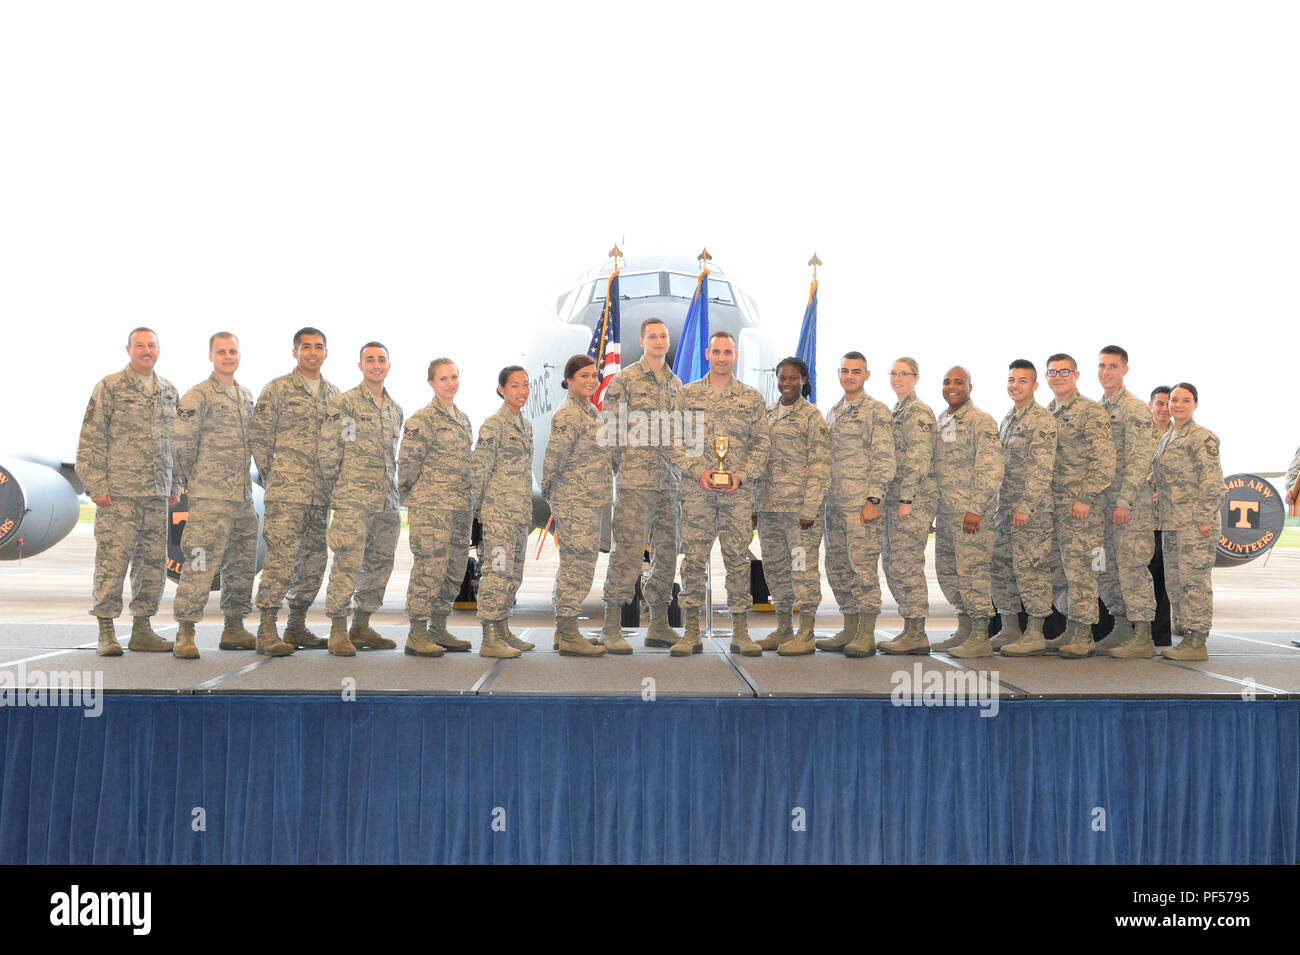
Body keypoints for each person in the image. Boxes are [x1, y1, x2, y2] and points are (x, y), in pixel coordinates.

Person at [172, 332, 288, 658]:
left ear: (239, 355)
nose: (228, 357)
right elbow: (180, 443)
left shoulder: (245, 396)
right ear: (211, 356)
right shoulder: (198, 396)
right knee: (199, 562)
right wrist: (192, 481)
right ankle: (185, 631)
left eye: (232, 351)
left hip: (242, 497)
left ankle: (234, 627)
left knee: (242, 564)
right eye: (221, 352)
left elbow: (258, 441)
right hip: (210, 497)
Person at [665, 330, 770, 657]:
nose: (722, 357)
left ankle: (741, 632)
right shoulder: (687, 395)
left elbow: (762, 445)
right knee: (693, 561)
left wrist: (741, 475)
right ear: (708, 355)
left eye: (727, 352)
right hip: (697, 494)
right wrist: (699, 472)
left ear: (735, 356)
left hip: (737, 496)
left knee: (738, 561)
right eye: (716, 352)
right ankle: (691, 632)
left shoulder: (751, 398)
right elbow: (672, 442)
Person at [76, 327, 180, 656]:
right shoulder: (109, 387)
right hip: (118, 494)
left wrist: (175, 484)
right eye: (140, 345)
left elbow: (175, 443)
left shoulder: (169, 391)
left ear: (158, 350)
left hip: (156, 494)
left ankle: (142, 629)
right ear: (129, 349)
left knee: (151, 565)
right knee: (112, 562)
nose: (146, 351)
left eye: (151, 345)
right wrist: (97, 485)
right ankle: (106, 631)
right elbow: (90, 438)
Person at [249, 327, 340, 650]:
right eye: (306, 347)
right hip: (287, 493)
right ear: (295, 352)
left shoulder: (335, 395)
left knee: (314, 561)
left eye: (318, 347)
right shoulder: (277, 390)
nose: (313, 352)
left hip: (320, 495)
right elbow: (258, 437)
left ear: (326, 352)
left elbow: (341, 442)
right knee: (281, 561)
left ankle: (296, 626)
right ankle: (266, 629)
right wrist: (274, 476)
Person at [600, 318, 684, 649]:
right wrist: (624, 470)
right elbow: (609, 433)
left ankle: (659, 622)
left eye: (663, 336)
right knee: (628, 555)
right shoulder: (625, 381)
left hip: (670, 486)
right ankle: (610, 625)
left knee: (667, 554)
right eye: (653, 336)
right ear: (642, 341)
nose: (660, 341)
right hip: (635, 485)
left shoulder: (677, 385)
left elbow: (684, 434)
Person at [319, 342, 404, 656]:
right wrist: (339, 493)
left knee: (380, 564)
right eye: (370, 360)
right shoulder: (345, 405)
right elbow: (329, 453)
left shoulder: (395, 410)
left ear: (388, 365)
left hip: (387, 502)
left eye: (382, 359)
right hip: (353, 500)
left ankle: (362, 625)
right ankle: (338, 630)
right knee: (347, 565)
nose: (376, 364)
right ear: (360, 366)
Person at [816, 352, 896, 657]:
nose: (850, 376)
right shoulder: (834, 411)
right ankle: (849, 627)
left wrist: (873, 499)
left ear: (867, 375)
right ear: (838, 373)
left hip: (862, 505)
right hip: (834, 505)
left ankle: (865, 633)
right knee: (837, 566)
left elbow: (885, 458)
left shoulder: (876, 411)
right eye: (846, 371)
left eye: (856, 371)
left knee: (863, 568)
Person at [397, 357, 475, 657]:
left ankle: (438, 627)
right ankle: (417, 633)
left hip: (459, 509)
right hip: (431, 509)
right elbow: (406, 467)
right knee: (429, 570)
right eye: (443, 378)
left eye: (454, 377)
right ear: (431, 382)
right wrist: (419, 497)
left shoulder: (463, 418)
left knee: (453, 570)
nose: (450, 383)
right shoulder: (421, 421)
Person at [753, 357, 830, 655]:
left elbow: (821, 466)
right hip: (770, 512)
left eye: (793, 378)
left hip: (800, 516)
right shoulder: (767, 415)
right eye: (782, 378)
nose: (787, 383)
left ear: (803, 381)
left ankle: (807, 633)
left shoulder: (812, 417)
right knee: (775, 570)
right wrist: (755, 507)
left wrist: (810, 509)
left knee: (802, 570)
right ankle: (784, 628)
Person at [1042, 353, 1115, 659]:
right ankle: (1071, 627)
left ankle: (1084, 633)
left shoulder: (1091, 412)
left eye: (1064, 371)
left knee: (1081, 571)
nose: (1058, 376)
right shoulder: (1046, 413)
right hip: (1052, 508)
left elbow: (1105, 461)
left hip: (1080, 509)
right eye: (1052, 372)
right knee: (1059, 574)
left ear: (1076, 375)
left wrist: (1085, 498)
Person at [930, 366, 1003, 657]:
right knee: (949, 573)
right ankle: (964, 628)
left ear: (970, 387)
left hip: (971, 517)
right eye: (947, 382)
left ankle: (980, 636)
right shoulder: (943, 420)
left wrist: (976, 508)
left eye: (958, 382)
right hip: (946, 515)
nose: (951, 386)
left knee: (973, 574)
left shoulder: (981, 422)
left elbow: (992, 468)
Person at [542, 355, 612, 656]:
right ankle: (570, 635)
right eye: (583, 376)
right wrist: (554, 496)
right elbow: (552, 460)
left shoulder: (590, 410)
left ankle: (563, 631)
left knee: (578, 566)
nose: (591, 381)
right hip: (576, 502)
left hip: (589, 500)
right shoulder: (568, 414)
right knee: (577, 568)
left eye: (594, 375)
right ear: (569, 379)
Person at [1094, 346, 1159, 658]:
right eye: (1102, 366)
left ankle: (1143, 635)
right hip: (1101, 506)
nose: (1106, 372)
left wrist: (1124, 501)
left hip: (1128, 506)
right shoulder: (1098, 408)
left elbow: (1139, 459)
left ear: (1125, 370)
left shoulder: (1133, 408)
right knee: (1103, 568)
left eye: (1113, 366)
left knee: (1131, 568)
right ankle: (1121, 627)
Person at [1152, 383, 1224, 661]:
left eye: (1185, 400)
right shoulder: (1168, 436)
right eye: (1174, 400)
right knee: (1176, 581)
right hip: (1171, 522)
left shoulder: (1202, 438)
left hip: (1195, 523)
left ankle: (1197, 641)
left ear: (1195, 405)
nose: (1178, 405)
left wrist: (1205, 517)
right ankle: (1186, 634)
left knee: (1194, 582)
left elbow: (1213, 482)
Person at [992, 360, 1058, 656]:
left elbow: (1042, 469)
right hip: (1005, 508)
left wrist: (1026, 506)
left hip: (1030, 512)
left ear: (1035, 386)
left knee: (1032, 570)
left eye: (1022, 380)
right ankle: (1010, 627)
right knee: (1003, 568)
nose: (1015, 385)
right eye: (1011, 379)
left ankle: (1035, 632)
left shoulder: (1041, 420)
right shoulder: (1009, 418)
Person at [471, 366, 536, 658]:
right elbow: (479, 470)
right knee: (496, 574)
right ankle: (489, 637)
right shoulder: (493, 425)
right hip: (498, 514)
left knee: (513, 575)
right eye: (514, 386)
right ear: (501, 389)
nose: (521, 391)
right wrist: (478, 509)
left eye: (525, 385)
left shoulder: (525, 425)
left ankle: (503, 629)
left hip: (519, 513)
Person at [879, 357, 939, 655]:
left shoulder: (919, 412)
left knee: (907, 565)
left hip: (912, 501)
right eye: (894, 373)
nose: (897, 378)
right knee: (893, 564)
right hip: (895, 500)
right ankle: (909, 627)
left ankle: (917, 634)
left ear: (916, 377)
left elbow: (919, 459)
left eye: (904, 373)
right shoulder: (896, 411)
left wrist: (907, 499)